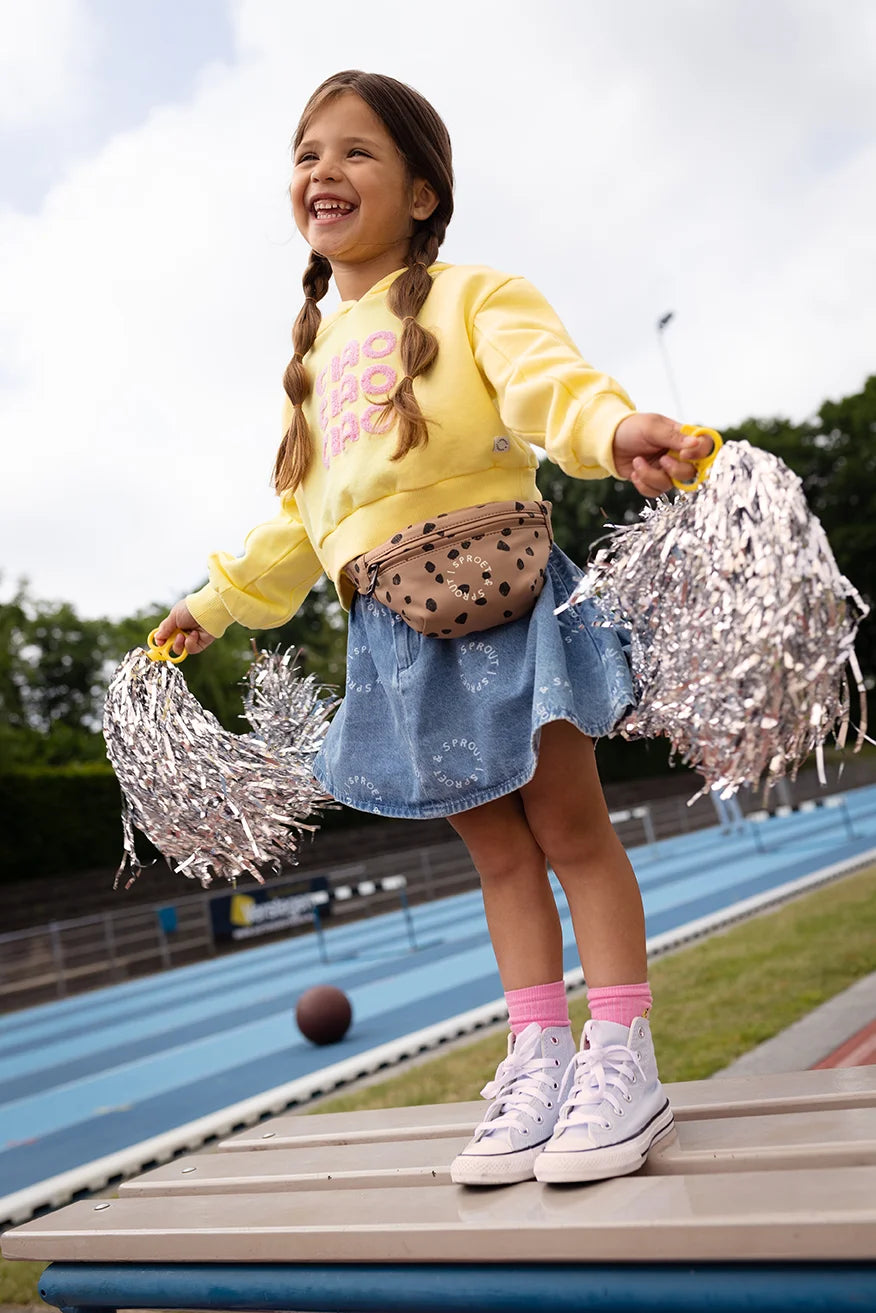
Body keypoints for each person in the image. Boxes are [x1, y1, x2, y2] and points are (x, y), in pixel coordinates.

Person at [154, 70, 713, 1186]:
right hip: (393, 634)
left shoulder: (474, 295)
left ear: (420, 191)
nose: (324, 171)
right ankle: (540, 1049)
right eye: (308, 154)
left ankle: (623, 1051)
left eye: (356, 152)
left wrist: (617, 431)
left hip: (503, 592)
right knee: (499, 853)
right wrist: (215, 601)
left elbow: (552, 387)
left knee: (570, 828)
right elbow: (309, 520)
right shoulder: (310, 368)